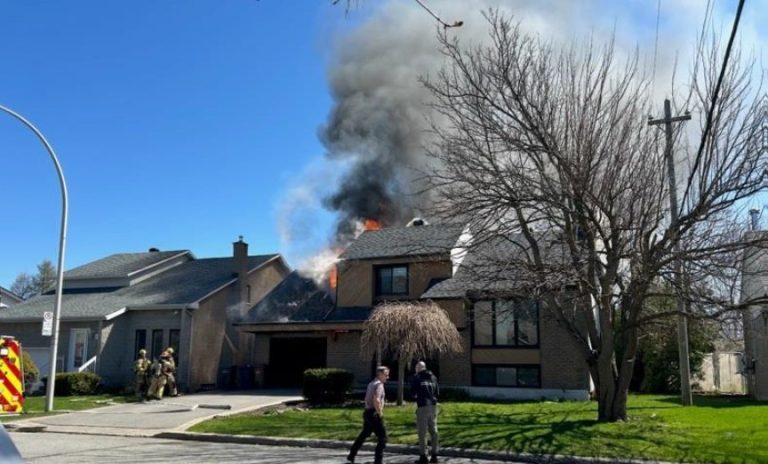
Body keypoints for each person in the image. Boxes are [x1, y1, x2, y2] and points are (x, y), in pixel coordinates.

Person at [348, 366, 389, 464]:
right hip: (374, 414)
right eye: (386, 375)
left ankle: (352, 454)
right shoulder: (379, 385)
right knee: (383, 438)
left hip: (367, 412)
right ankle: (378, 461)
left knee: (364, 435)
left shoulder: (371, 383)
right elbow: (376, 400)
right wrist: (380, 413)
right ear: (380, 374)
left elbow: (366, 398)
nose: (387, 377)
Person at [411, 361, 439, 464]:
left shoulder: (417, 377)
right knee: (434, 431)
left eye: (416, 368)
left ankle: (423, 457)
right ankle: (435, 455)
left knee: (422, 433)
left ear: (418, 368)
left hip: (422, 406)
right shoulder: (433, 377)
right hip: (433, 406)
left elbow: (413, 393)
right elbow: (437, 392)